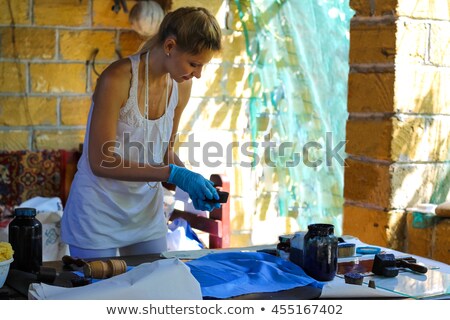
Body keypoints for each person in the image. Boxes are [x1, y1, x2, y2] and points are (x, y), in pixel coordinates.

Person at [61, 7, 222, 259]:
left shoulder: (182, 86)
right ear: (170, 45)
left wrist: (191, 183)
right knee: (98, 294)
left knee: (153, 289)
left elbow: (164, 153)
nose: (198, 74)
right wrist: (172, 173)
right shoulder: (117, 78)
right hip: (97, 212)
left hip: (145, 215)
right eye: (194, 64)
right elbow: (102, 162)